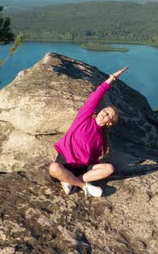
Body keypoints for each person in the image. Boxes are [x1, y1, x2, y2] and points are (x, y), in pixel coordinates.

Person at [48, 66, 129, 197]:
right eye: (105, 110)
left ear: (109, 122)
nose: (105, 113)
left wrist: (92, 169)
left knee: (109, 168)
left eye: (109, 115)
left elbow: (92, 161)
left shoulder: (100, 138)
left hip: (81, 169)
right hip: (65, 164)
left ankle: (71, 181)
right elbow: (95, 96)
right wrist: (111, 79)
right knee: (53, 168)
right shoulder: (84, 118)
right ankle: (83, 185)